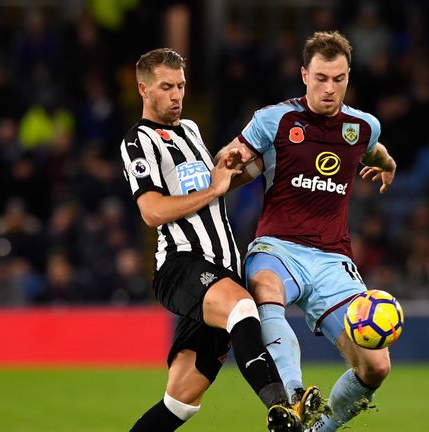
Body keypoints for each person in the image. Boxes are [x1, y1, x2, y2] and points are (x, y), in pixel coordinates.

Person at [123, 48, 314, 432]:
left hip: (220, 272)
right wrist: (213, 189)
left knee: (179, 402)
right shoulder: (138, 141)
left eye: (181, 85)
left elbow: (218, 183)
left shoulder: (191, 130)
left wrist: (253, 167)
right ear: (143, 89)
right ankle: (282, 410)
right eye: (166, 87)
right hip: (182, 265)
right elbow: (152, 211)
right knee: (245, 308)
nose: (176, 95)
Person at [217, 31, 397, 431]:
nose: (329, 88)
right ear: (304, 74)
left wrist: (387, 164)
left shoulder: (363, 126)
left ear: (349, 76)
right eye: (320, 78)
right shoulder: (274, 120)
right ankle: (295, 398)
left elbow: (375, 150)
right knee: (264, 285)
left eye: (338, 79)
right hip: (277, 248)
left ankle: (318, 429)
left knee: (376, 366)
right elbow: (227, 162)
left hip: (334, 260)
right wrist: (228, 162)